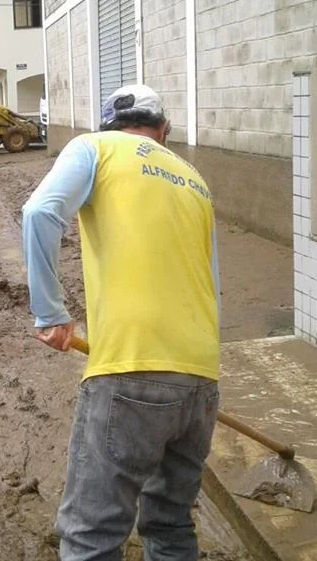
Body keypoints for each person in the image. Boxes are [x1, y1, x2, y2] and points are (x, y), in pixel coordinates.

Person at [21, 85, 221, 561]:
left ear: (109, 123)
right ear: (164, 131)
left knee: (94, 533)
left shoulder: (95, 147)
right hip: (201, 378)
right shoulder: (195, 180)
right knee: (170, 525)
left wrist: (51, 312)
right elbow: (212, 285)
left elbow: (40, 212)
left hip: (131, 369)